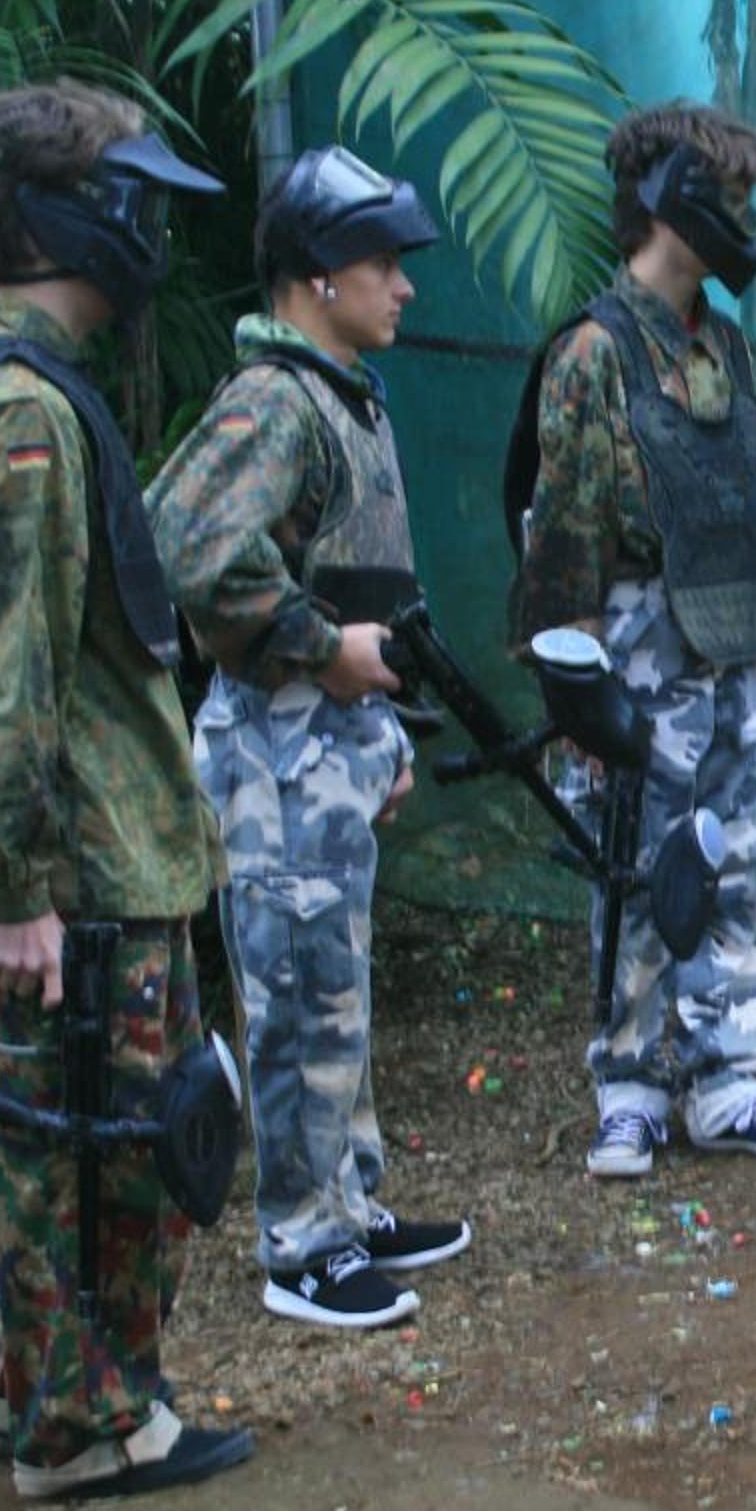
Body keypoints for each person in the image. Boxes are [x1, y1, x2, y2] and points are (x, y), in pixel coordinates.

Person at [0, 81, 253, 1498]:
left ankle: (48, 1388)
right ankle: (86, 1428)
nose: (147, 232)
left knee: (76, 1141)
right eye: (127, 200)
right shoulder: (21, 412)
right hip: (81, 876)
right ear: (55, 219)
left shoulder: (29, 389)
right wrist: (11, 891)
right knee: (99, 1151)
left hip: (100, 858)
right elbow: (4, 673)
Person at [146, 148, 473, 1325]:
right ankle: (301, 1244)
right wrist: (319, 645)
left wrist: (374, 725)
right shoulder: (273, 399)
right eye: (384, 263)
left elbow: (354, 575)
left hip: (328, 742)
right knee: (291, 992)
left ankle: (347, 1199)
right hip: (276, 746)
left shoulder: (339, 393)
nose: (405, 286)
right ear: (320, 275)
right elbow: (185, 543)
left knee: (333, 983)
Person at [503, 102, 756, 1179]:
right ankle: (632, 1088)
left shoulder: (721, 344)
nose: (744, 215)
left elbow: (751, 496)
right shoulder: (594, 350)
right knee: (639, 859)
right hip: (636, 633)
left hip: (729, 636)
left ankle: (730, 1080)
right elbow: (561, 527)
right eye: (727, 194)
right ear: (666, 201)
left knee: (733, 855)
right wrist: (574, 683)